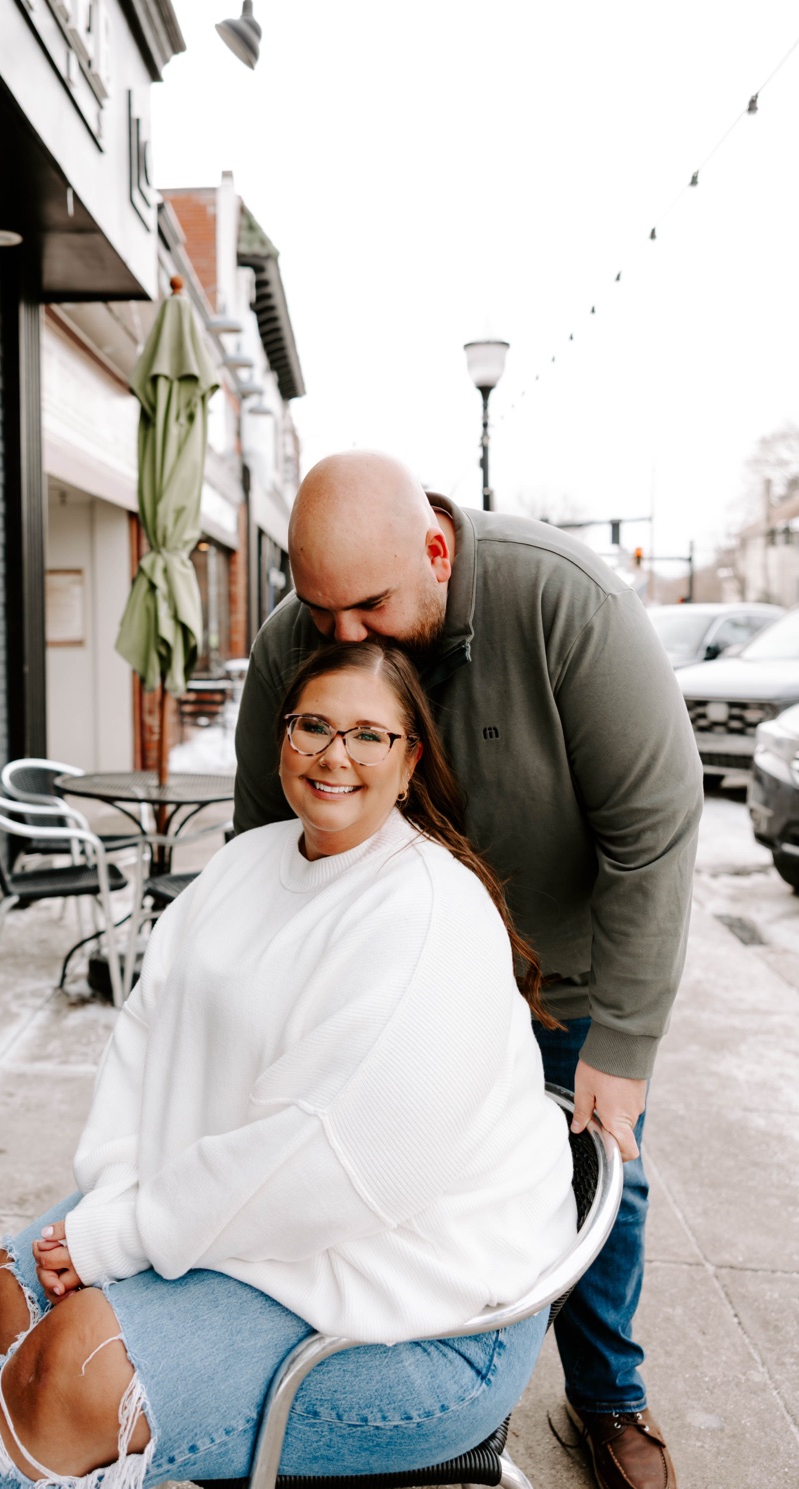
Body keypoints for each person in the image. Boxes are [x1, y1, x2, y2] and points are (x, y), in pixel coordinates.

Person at [0, 641, 577, 1488]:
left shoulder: (428, 913)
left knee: (71, 1373)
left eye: (369, 734)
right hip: (261, 1225)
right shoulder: (242, 864)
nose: (335, 754)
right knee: (9, 1287)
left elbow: (326, 1162)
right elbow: (145, 1043)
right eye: (314, 726)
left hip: (424, 1307)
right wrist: (118, 1195)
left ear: (411, 759)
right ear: (282, 737)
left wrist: (119, 1237)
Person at [231, 452, 699, 1489]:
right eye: (319, 611)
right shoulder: (294, 639)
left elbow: (652, 832)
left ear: (436, 551)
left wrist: (620, 1044)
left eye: (366, 605)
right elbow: (260, 843)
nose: (340, 634)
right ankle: (409, 1391)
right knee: (399, 1184)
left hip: (562, 983)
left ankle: (605, 1397)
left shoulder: (564, 602)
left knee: (596, 1193)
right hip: (394, 988)